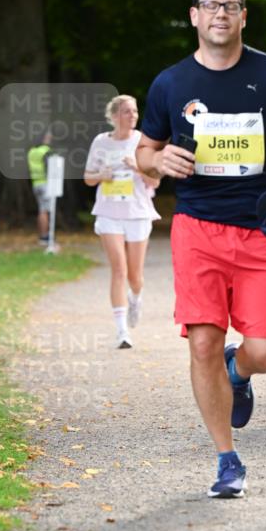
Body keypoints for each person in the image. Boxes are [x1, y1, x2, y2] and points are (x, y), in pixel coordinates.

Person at [136, 0, 266, 499]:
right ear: (194, 15)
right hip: (197, 228)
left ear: (243, 16)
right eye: (210, 6)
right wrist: (157, 161)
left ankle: (239, 369)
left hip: (260, 229)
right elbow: (143, 151)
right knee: (203, 342)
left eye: (229, 6)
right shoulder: (170, 83)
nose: (220, 14)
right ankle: (227, 460)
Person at [84, 95, 160, 348]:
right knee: (119, 270)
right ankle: (122, 331)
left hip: (137, 212)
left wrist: (137, 167)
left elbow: (155, 181)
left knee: (135, 276)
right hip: (109, 212)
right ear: (115, 115)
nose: (133, 116)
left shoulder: (143, 142)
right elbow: (88, 178)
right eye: (127, 111)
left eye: (135, 111)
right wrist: (101, 175)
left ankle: (135, 299)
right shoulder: (100, 142)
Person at [27, 128, 53, 246]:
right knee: (46, 211)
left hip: (35, 183)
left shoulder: (32, 151)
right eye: (48, 137)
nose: (50, 138)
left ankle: (42, 235)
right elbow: (50, 168)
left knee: (41, 210)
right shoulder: (46, 151)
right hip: (45, 184)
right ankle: (46, 236)